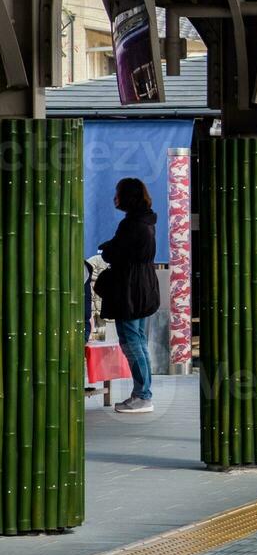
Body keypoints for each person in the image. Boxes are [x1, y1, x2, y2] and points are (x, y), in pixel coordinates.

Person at [98, 177, 161, 414]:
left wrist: (107, 249)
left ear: (128, 197)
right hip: (144, 287)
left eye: (118, 193)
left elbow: (116, 252)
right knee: (138, 341)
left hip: (130, 291)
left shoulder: (132, 224)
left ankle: (143, 395)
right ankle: (142, 393)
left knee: (131, 341)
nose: (115, 198)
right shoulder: (147, 221)